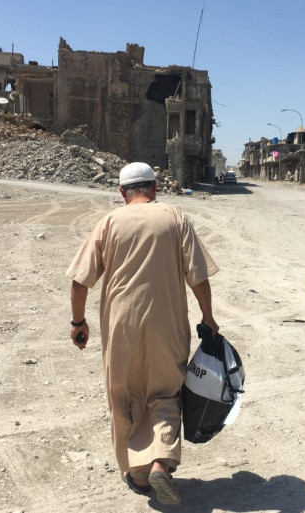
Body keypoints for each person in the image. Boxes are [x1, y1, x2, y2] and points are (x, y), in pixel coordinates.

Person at [66, 162, 219, 506]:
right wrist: (208, 316)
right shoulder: (175, 217)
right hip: (168, 324)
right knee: (166, 392)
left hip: (121, 326)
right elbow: (198, 276)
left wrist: (78, 322)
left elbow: (80, 280)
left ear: (122, 193)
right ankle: (161, 462)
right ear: (154, 188)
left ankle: (137, 472)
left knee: (124, 395)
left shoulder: (108, 223)